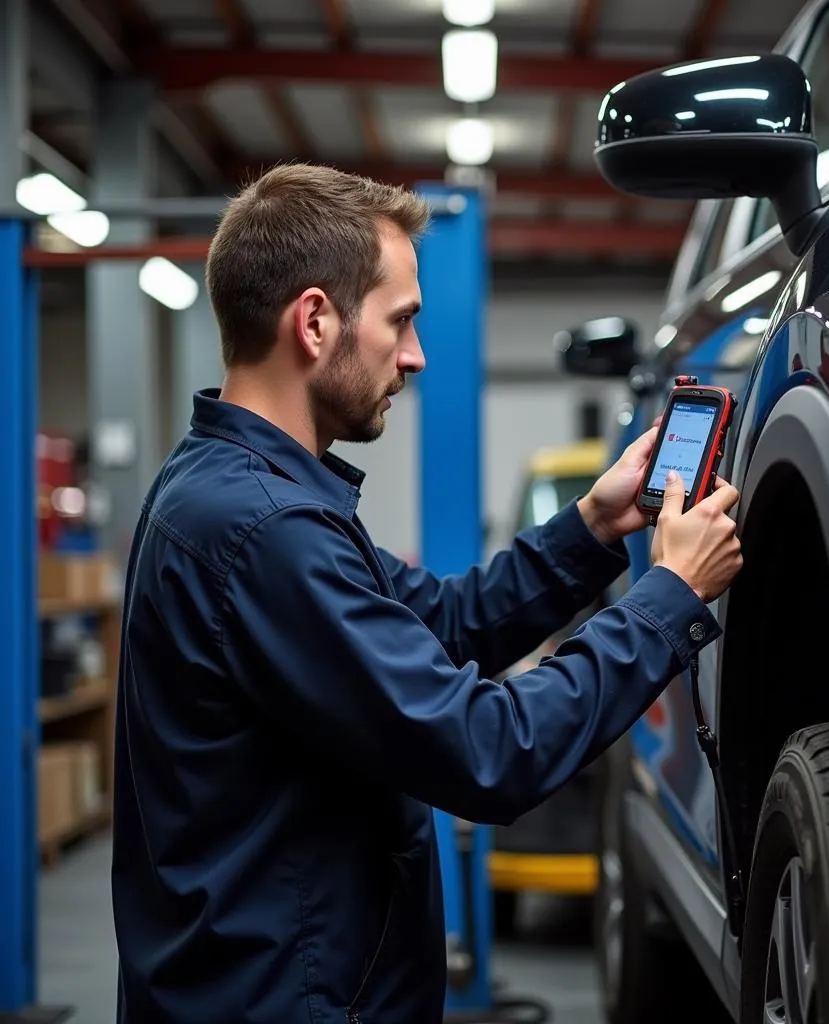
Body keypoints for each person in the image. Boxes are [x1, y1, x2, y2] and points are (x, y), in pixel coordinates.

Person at [110, 163, 743, 1024]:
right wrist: (668, 597)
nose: (415, 354)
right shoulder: (265, 531)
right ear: (315, 320)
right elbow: (489, 750)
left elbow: (440, 622)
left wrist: (591, 529)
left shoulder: (241, 492)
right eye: (401, 321)